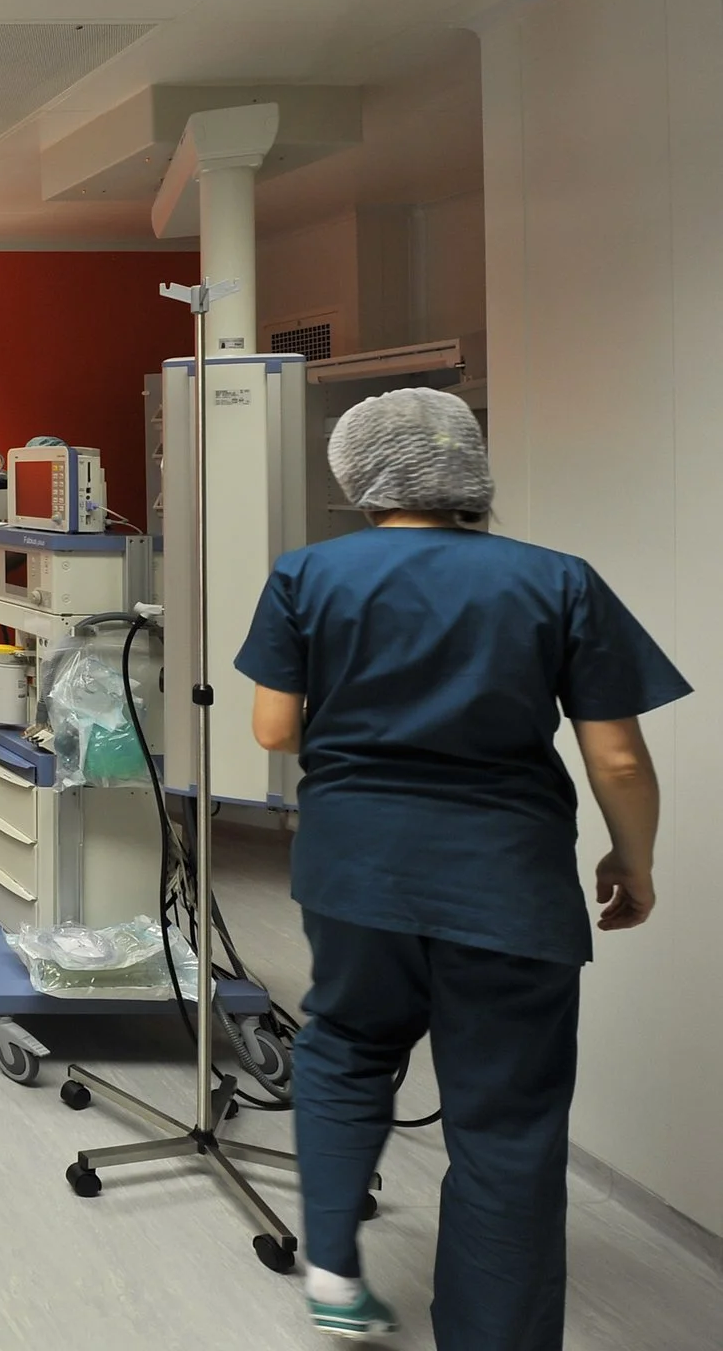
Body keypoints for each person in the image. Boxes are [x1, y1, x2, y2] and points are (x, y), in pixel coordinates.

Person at [234, 388, 686, 1346]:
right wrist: (633, 863)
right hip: (508, 883)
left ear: (357, 474)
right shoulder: (558, 580)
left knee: (347, 1045)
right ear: (470, 473)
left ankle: (332, 1265)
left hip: (353, 867)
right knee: (507, 1123)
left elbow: (274, 728)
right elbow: (617, 759)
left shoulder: (308, 576)